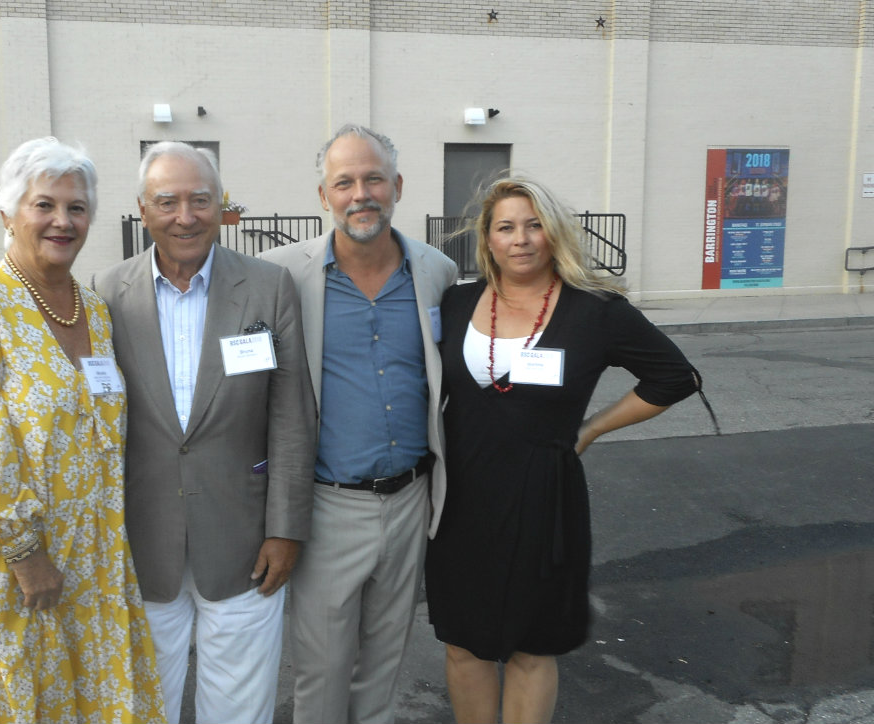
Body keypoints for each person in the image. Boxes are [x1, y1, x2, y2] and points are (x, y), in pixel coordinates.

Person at [425, 177, 703, 723]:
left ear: (554, 234)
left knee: (532, 646)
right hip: (459, 498)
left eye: (534, 226)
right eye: (506, 227)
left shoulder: (595, 311)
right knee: (463, 642)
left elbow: (674, 377)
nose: (521, 239)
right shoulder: (456, 303)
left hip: (544, 498)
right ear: (488, 239)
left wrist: (591, 429)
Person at [0, 137, 165, 723]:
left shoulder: (92, 309)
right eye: (44, 205)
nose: (62, 221)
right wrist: (26, 555)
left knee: (93, 699)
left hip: (93, 553)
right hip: (8, 562)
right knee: (22, 700)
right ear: (8, 212)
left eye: (77, 208)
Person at [91, 142, 316, 724]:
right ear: (143, 209)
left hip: (246, 543)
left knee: (240, 709)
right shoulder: (106, 293)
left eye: (200, 200)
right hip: (141, 542)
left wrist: (286, 528)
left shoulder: (268, 286)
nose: (185, 216)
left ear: (222, 206)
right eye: (167, 201)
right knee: (145, 708)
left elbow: (291, 416)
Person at [263, 124, 459, 724]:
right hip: (328, 507)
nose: (360, 194)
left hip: (411, 501)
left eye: (373, 179)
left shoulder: (437, 271)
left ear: (397, 186)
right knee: (322, 673)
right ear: (324, 196)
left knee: (383, 667)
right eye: (344, 182)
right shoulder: (280, 276)